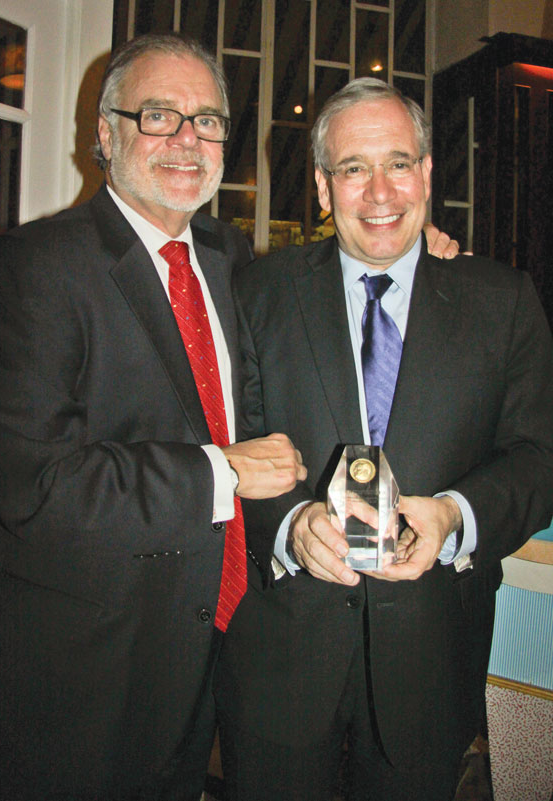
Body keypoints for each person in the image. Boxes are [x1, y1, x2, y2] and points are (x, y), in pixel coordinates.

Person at [0, 33, 309, 801]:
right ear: (106, 134)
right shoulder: (33, 268)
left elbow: (307, 320)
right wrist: (224, 471)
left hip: (201, 651)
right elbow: (37, 485)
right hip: (78, 676)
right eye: (160, 114)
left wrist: (412, 255)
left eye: (208, 120)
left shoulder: (228, 257)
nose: (189, 138)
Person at [215, 78, 553, 801]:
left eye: (398, 163)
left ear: (428, 172)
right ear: (321, 184)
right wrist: (290, 526)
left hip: (431, 660)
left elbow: (539, 456)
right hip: (280, 661)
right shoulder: (259, 293)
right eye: (353, 168)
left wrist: (456, 515)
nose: (379, 192)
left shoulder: (503, 301)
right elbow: (229, 443)